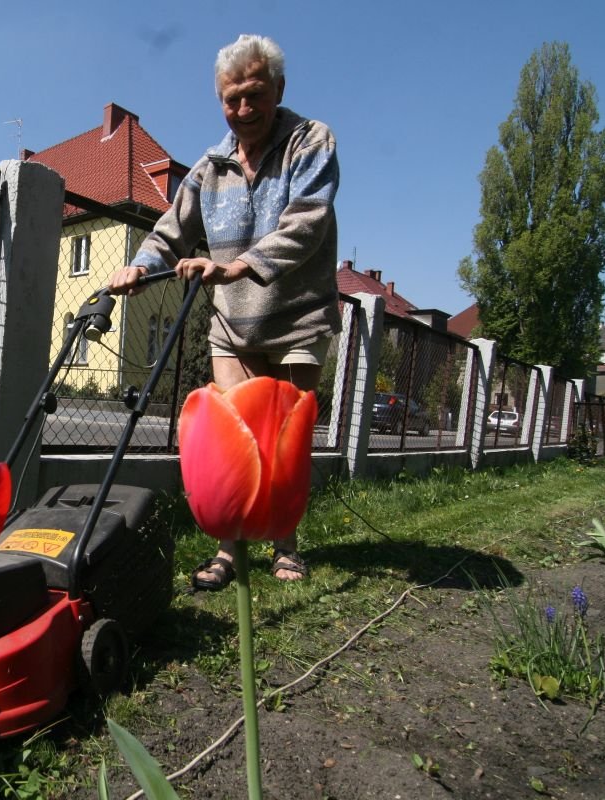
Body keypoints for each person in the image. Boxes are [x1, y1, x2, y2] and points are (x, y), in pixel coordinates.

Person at [108, 34, 340, 588]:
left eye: (254, 94)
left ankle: (285, 546)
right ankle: (229, 552)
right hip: (233, 326)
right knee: (235, 440)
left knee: (284, 441)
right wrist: (139, 265)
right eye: (231, 99)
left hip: (298, 320)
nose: (243, 108)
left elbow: (307, 222)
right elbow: (171, 231)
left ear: (278, 89)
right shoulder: (210, 167)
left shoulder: (310, 141)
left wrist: (238, 266)